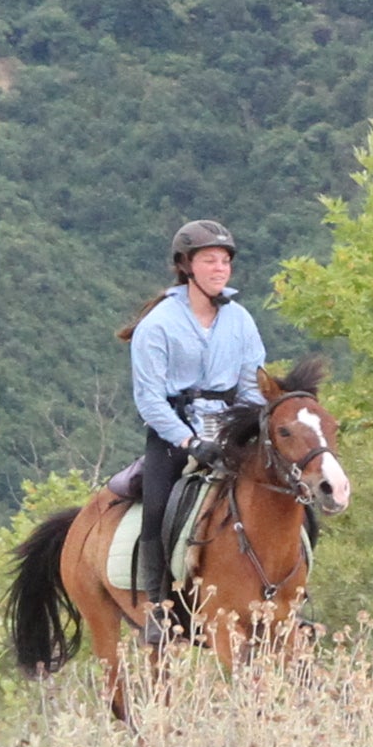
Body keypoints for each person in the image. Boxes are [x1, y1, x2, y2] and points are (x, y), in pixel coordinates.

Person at [124, 219, 268, 632]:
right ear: (186, 266)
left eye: (225, 261)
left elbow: (252, 385)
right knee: (157, 506)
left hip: (230, 430)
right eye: (209, 260)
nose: (220, 268)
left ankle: (293, 592)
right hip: (175, 433)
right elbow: (149, 399)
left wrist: (242, 429)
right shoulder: (157, 326)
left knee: (288, 490)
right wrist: (188, 441)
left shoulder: (240, 320)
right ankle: (157, 606)